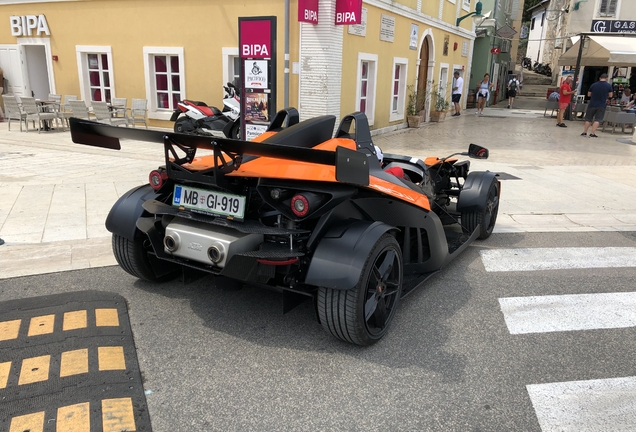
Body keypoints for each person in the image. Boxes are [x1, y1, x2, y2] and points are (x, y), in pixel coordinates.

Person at [582, 73, 613, 138]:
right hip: (601, 105)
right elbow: (611, 95)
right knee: (597, 119)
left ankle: (584, 132)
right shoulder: (608, 86)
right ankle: (592, 133)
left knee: (588, 118)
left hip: (592, 104)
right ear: (606, 78)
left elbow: (589, 94)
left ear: (600, 78)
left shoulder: (593, 85)